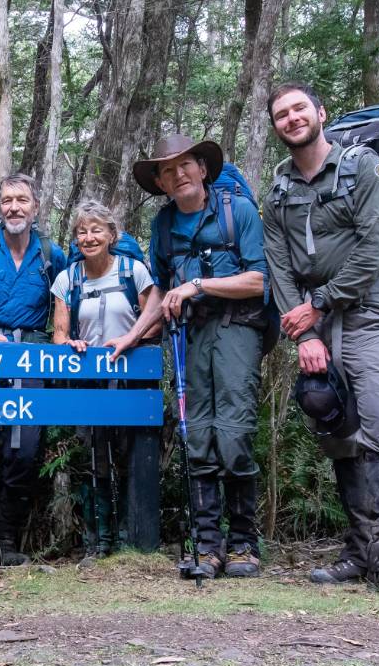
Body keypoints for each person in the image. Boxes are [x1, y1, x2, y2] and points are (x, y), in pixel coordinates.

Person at [262, 82, 379, 598]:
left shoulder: (363, 168)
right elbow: (280, 268)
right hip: (317, 322)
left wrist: (323, 301)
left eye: (298, 110)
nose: (291, 119)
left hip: (368, 313)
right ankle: (360, 553)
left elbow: (376, 246)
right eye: (281, 115)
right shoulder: (279, 190)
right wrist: (305, 329)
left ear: (320, 113)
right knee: (336, 429)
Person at [114, 134, 268, 580]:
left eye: (186, 165)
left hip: (237, 329)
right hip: (187, 337)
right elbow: (160, 291)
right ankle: (207, 546)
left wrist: (199, 286)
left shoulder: (237, 212)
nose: (178, 174)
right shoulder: (162, 226)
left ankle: (243, 544)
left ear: (203, 169)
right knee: (195, 435)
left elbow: (260, 279)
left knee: (233, 433)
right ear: (160, 183)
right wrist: (133, 335)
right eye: (168, 169)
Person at [0, 172, 67, 567]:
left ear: (35, 206)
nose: (14, 207)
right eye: (7, 201)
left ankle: (5, 540)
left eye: (22, 200)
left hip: (30, 355)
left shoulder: (51, 254)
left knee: (23, 449)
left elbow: (63, 301)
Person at [51, 200, 154, 556]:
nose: (89, 237)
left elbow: (151, 320)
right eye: (82, 231)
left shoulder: (134, 272)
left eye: (96, 230)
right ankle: (99, 540)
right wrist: (71, 344)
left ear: (112, 234)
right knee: (94, 460)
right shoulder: (68, 278)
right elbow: (59, 335)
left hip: (130, 380)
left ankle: (130, 538)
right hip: (89, 381)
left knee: (129, 455)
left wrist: (133, 340)